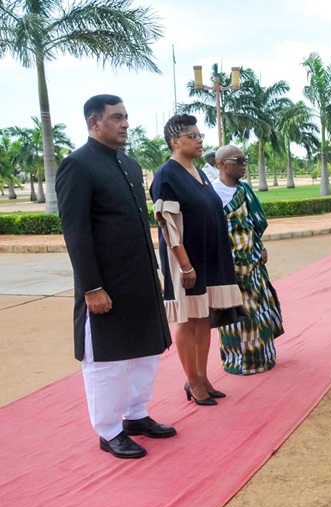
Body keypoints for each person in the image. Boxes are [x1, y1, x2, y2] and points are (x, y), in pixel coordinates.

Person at [56, 94, 175, 459]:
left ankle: (136, 415)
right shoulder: (77, 165)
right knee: (107, 361)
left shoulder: (129, 164)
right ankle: (109, 430)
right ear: (94, 123)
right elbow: (76, 231)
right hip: (105, 284)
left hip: (140, 279)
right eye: (116, 118)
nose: (125, 124)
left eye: (125, 117)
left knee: (145, 352)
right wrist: (92, 287)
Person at [150, 114, 244, 406]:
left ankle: (203, 377)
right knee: (188, 319)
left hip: (208, 255)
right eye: (192, 136)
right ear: (175, 142)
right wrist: (185, 265)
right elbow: (167, 225)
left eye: (200, 135)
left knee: (204, 318)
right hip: (186, 260)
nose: (200, 140)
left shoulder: (199, 173)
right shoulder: (167, 175)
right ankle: (191, 380)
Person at [211, 145, 285, 374]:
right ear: (222, 164)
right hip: (228, 267)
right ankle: (238, 362)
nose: (244, 164)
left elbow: (253, 224)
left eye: (245, 160)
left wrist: (260, 246)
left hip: (253, 264)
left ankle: (263, 358)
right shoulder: (211, 193)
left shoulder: (245, 190)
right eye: (239, 160)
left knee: (260, 312)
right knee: (236, 316)